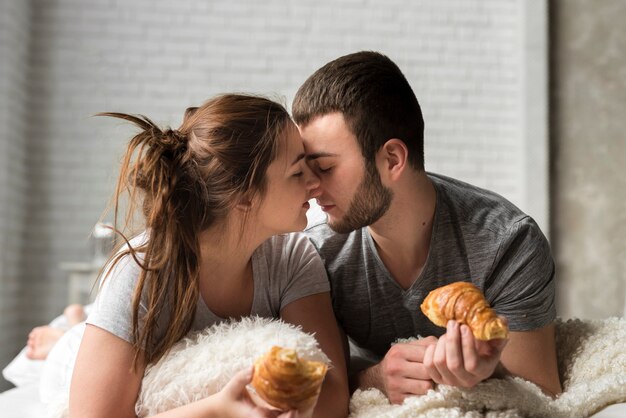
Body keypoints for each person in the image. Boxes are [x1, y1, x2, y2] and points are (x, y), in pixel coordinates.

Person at [292, 51, 562, 404]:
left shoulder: (508, 242)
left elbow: (541, 394)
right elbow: (317, 386)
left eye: (325, 168)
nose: (309, 186)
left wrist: (484, 372)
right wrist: (374, 377)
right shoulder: (317, 255)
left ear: (392, 160)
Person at [69, 94, 349, 418]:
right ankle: (69, 328)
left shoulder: (293, 257)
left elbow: (334, 392)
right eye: (297, 173)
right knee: (66, 350)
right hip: (100, 330)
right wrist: (218, 411)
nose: (315, 183)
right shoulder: (143, 270)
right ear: (244, 196)